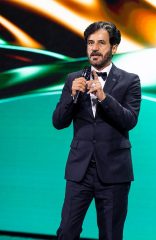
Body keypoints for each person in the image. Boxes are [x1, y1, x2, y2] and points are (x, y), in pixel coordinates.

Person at [52, 21, 141, 240]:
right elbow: (58, 122)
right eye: (90, 43)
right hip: (79, 170)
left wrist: (103, 97)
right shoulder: (73, 79)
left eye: (101, 43)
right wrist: (72, 97)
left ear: (114, 47)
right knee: (66, 232)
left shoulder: (130, 80)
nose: (94, 48)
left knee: (111, 234)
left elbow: (129, 120)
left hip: (113, 171)